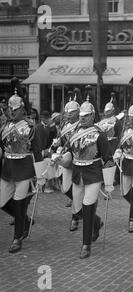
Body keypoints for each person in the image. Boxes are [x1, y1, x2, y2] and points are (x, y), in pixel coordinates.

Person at [65, 95, 115, 259]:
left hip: (93, 174)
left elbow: (108, 158)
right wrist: (60, 157)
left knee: (87, 206)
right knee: (78, 210)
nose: (82, 118)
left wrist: (108, 183)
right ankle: (96, 222)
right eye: (80, 115)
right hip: (78, 174)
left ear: (93, 116)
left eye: (86, 116)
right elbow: (69, 152)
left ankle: (86, 244)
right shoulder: (73, 133)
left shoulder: (99, 134)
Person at [0, 89, 46, 253]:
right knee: (2, 202)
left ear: (23, 109)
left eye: (15, 109)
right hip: (7, 170)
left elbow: (38, 153)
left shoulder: (31, 127)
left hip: (24, 169)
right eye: (9, 109)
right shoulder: (5, 126)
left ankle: (17, 238)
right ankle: (24, 220)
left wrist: (40, 176)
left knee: (19, 204)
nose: (11, 112)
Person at [113, 99, 133, 233]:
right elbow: (120, 146)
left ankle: (132, 220)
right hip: (126, 162)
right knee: (125, 192)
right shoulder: (124, 130)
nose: (132, 119)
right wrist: (118, 152)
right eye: (130, 117)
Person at [51, 94, 81, 231]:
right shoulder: (64, 125)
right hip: (67, 159)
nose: (68, 115)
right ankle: (79, 207)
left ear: (78, 112)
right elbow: (62, 141)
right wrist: (57, 145)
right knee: (65, 188)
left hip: (80, 159)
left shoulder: (81, 125)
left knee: (75, 189)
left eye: (71, 112)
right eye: (67, 112)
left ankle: (75, 217)